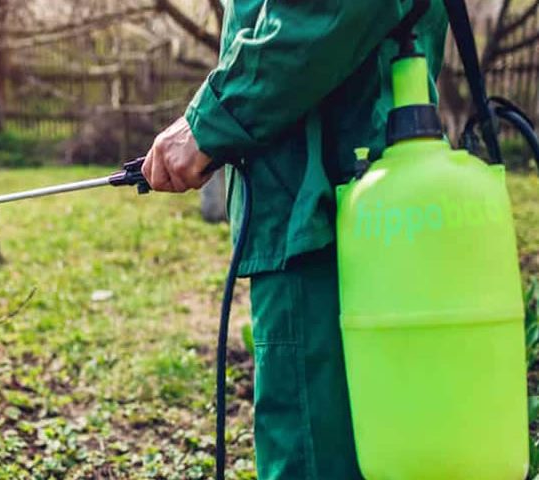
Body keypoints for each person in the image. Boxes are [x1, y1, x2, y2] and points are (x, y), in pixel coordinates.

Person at [142, 2, 448, 478]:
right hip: (362, 199)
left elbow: (325, 13)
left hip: (320, 204)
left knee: (314, 451)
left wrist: (212, 118)